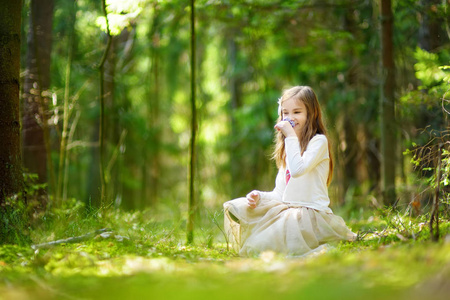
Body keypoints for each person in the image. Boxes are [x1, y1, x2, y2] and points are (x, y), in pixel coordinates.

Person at [223, 85, 356, 256]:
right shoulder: (289, 146)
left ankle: (319, 247)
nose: (290, 117)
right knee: (240, 207)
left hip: (310, 217)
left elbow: (298, 170)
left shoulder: (318, 142)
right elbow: (281, 194)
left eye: (297, 112)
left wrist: (290, 136)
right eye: (286, 113)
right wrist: (260, 196)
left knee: (277, 247)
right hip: (288, 211)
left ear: (311, 114)